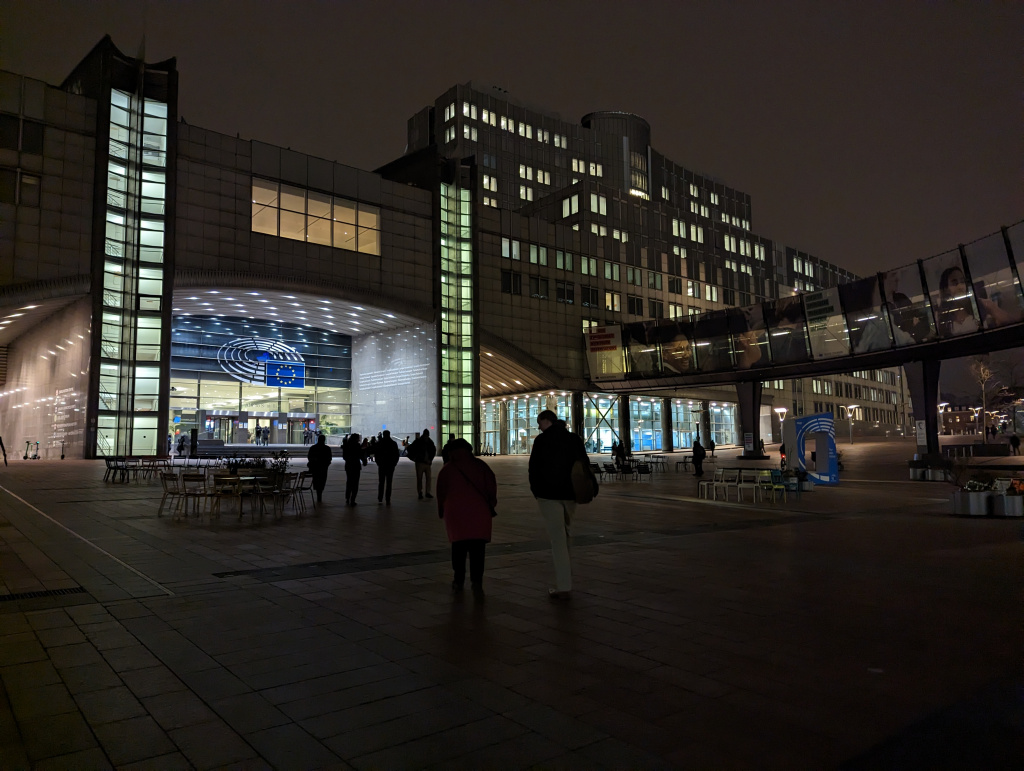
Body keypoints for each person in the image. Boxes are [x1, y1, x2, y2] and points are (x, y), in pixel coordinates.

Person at [529, 409, 589, 600]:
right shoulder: (574, 439)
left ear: (547, 421)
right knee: (566, 534)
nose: (538, 427)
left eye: (539, 423)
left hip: (548, 495)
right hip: (571, 493)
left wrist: (536, 491)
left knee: (558, 539)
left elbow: (533, 469)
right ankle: (565, 580)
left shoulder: (541, 441)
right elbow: (584, 463)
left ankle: (564, 585)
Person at [436, 438, 497, 600]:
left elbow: (441, 492)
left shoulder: (447, 469)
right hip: (480, 515)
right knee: (478, 551)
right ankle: (477, 582)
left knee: (458, 549)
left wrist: (441, 510)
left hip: (456, 516)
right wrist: (491, 504)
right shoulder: (481, 466)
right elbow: (492, 487)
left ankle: (458, 580)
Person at [407, 429, 437, 500]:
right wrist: (430, 460)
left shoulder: (419, 441)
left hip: (421, 462)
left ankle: (422, 492)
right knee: (426, 478)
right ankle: (426, 492)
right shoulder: (429, 442)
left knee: (421, 478)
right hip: (424, 462)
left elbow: (410, 448)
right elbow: (433, 451)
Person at [306, 434, 333, 505]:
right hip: (323, 468)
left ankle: (318, 494)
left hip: (315, 468)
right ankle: (319, 494)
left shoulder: (313, 448)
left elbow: (309, 457)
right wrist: (326, 464)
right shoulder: (327, 448)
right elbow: (329, 458)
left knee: (316, 480)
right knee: (322, 480)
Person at [375, 430, 400, 505]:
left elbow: (377, 454)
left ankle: (380, 498)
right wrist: (394, 464)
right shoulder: (393, 443)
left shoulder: (379, 443)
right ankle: (388, 498)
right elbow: (396, 455)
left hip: (382, 465)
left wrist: (378, 463)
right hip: (390, 465)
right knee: (389, 482)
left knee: (381, 482)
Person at [341, 433, 366, 506]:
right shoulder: (357, 445)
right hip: (356, 465)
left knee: (349, 481)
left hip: (348, 465)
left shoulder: (347, 446)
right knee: (355, 483)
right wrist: (364, 461)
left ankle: (347, 498)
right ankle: (353, 499)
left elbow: (344, 456)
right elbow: (360, 454)